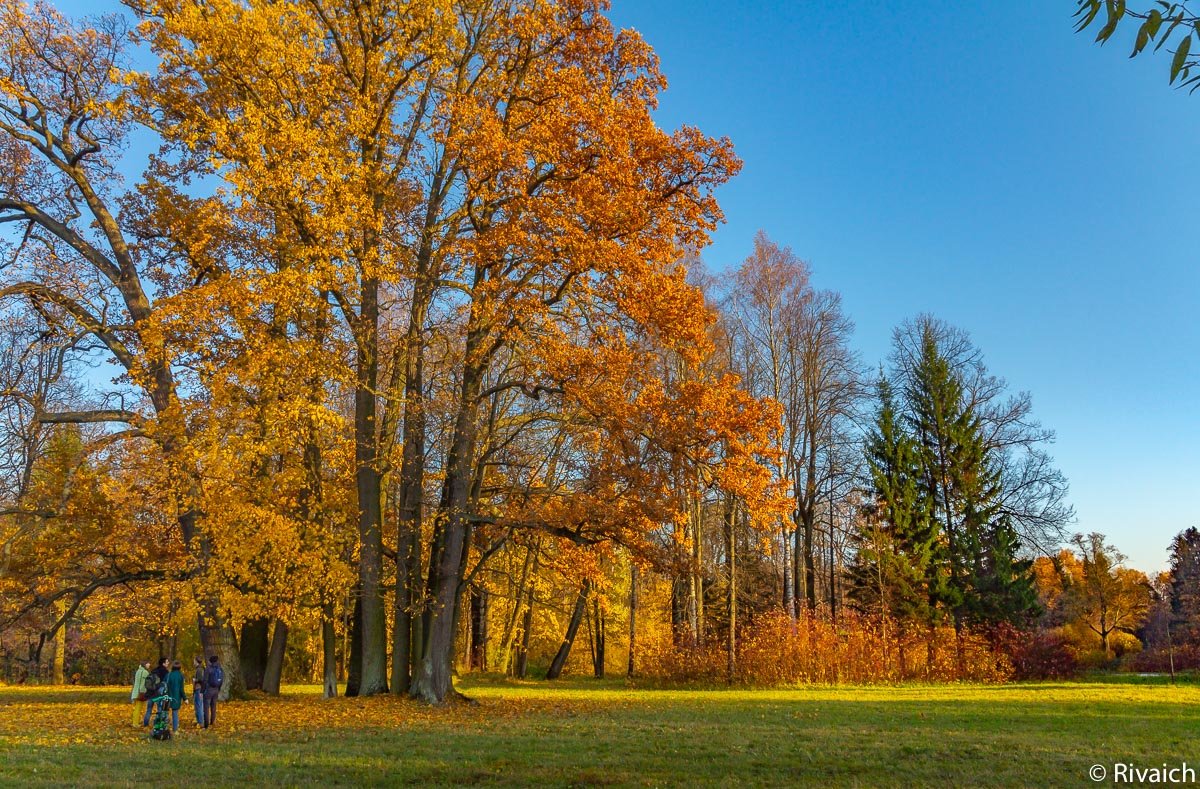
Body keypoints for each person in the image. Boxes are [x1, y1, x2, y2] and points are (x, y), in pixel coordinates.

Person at [142, 657, 169, 727]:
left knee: (149, 709)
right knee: (159, 709)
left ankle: (145, 723)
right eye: (167, 662)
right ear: (163, 663)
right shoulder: (165, 672)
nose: (168, 663)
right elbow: (166, 682)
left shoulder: (154, 670)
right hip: (158, 693)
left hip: (150, 692)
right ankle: (157, 723)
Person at [203, 654, 224, 729]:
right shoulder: (220, 669)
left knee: (206, 706)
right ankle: (213, 721)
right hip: (216, 690)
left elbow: (205, 681)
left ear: (210, 662)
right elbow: (222, 680)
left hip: (209, 690)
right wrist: (219, 688)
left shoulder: (208, 669)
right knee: (214, 706)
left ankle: (206, 724)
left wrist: (202, 691)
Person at [166, 660, 185, 733]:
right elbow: (181, 689)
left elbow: (166, 685)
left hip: (168, 695)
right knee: (175, 713)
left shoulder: (169, 675)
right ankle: (175, 729)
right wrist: (185, 698)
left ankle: (165, 727)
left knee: (166, 712)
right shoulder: (180, 676)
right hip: (176, 697)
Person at [130, 660, 150, 727]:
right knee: (138, 708)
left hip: (135, 691)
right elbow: (144, 683)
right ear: (145, 664)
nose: (149, 665)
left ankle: (135, 721)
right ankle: (135, 723)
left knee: (136, 708)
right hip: (140, 693)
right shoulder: (145, 672)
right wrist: (144, 692)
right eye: (148, 663)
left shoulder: (138, 671)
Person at [191, 656, 207, 728]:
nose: (193, 662)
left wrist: (195, 680)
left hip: (199, 689)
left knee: (199, 706)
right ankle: (199, 721)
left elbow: (201, 680)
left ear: (197, 661)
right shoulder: (199, 668)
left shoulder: (200, 669)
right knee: (197, 706)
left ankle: (201, 722)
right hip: (197, 689)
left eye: (194, 661)